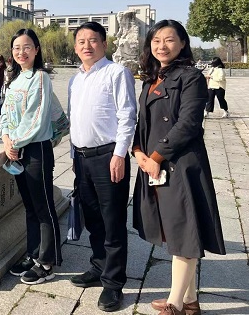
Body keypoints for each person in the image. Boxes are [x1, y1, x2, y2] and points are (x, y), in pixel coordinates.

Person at [132, 20, 225, 315]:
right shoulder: (151, 79)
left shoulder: (191, 77)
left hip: (181, 165)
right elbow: (143, 123)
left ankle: (174, 305)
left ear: (183, 43)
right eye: (156, 40)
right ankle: (190, 301)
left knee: (183, 233)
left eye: (169, 40)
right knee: (176, 230)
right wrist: (137, 151)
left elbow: (188, 124)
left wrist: (155, 156)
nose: (162, 46)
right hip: (154, 164)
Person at [68, 22, 137, 312]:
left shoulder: (117, 73)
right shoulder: (75, 79)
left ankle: (113, 283)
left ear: (104, 44)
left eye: (93, 40)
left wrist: (120, 155)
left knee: (112, 221)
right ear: (75, 48)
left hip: (108, 157)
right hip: (81, 157)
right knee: (93, 218)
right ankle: (98, 266)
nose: (87, 46)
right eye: (81, 41)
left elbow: (128, 115)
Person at [0, 29, 62, 285]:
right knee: (30, 206)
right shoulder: (14, 80)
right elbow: (4, 114)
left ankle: (46, 262)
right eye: (16, 48)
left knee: (43, 206)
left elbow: (35, 117)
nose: (21, 52)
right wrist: (5, 139)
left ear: (36, 50)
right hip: (16, 150)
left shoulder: (40, 78)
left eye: (26, 47)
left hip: (36, 150)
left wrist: (15, 142)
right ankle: (33, 254)